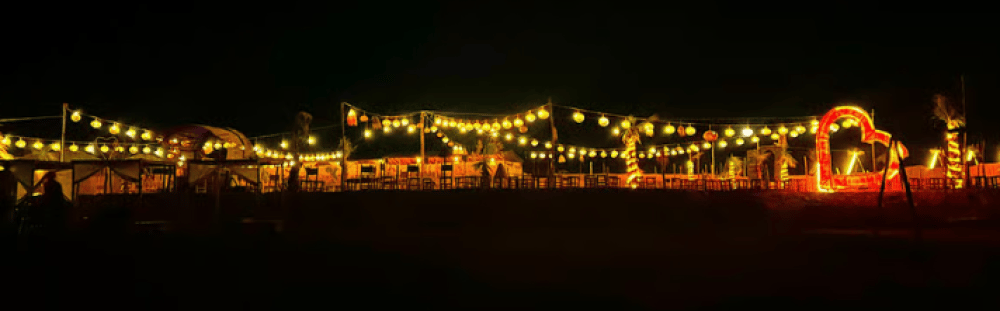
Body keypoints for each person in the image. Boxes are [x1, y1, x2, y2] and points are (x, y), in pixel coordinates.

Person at [38, 171, 67, 237]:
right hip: (56, 207)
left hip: (51, 207)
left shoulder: (47, 184)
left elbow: (47, 195)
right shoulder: (57, 185)